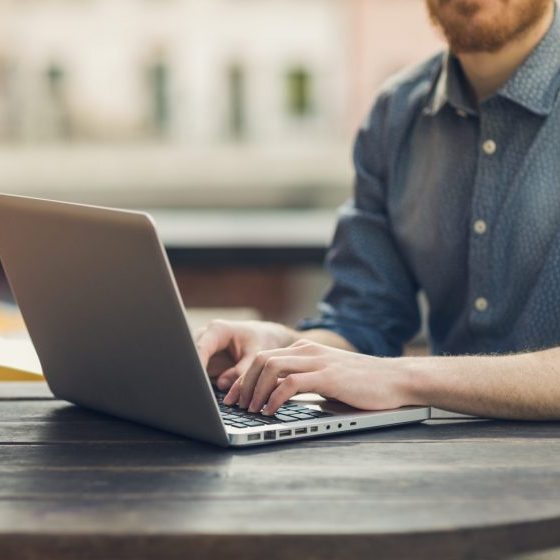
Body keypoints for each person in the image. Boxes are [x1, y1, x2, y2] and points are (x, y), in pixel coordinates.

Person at [196, 0, 560, 420]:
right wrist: (283, 349)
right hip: (448, 459)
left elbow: (384, 373)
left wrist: (403, 377)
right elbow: (364, 321)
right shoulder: (396, 114)